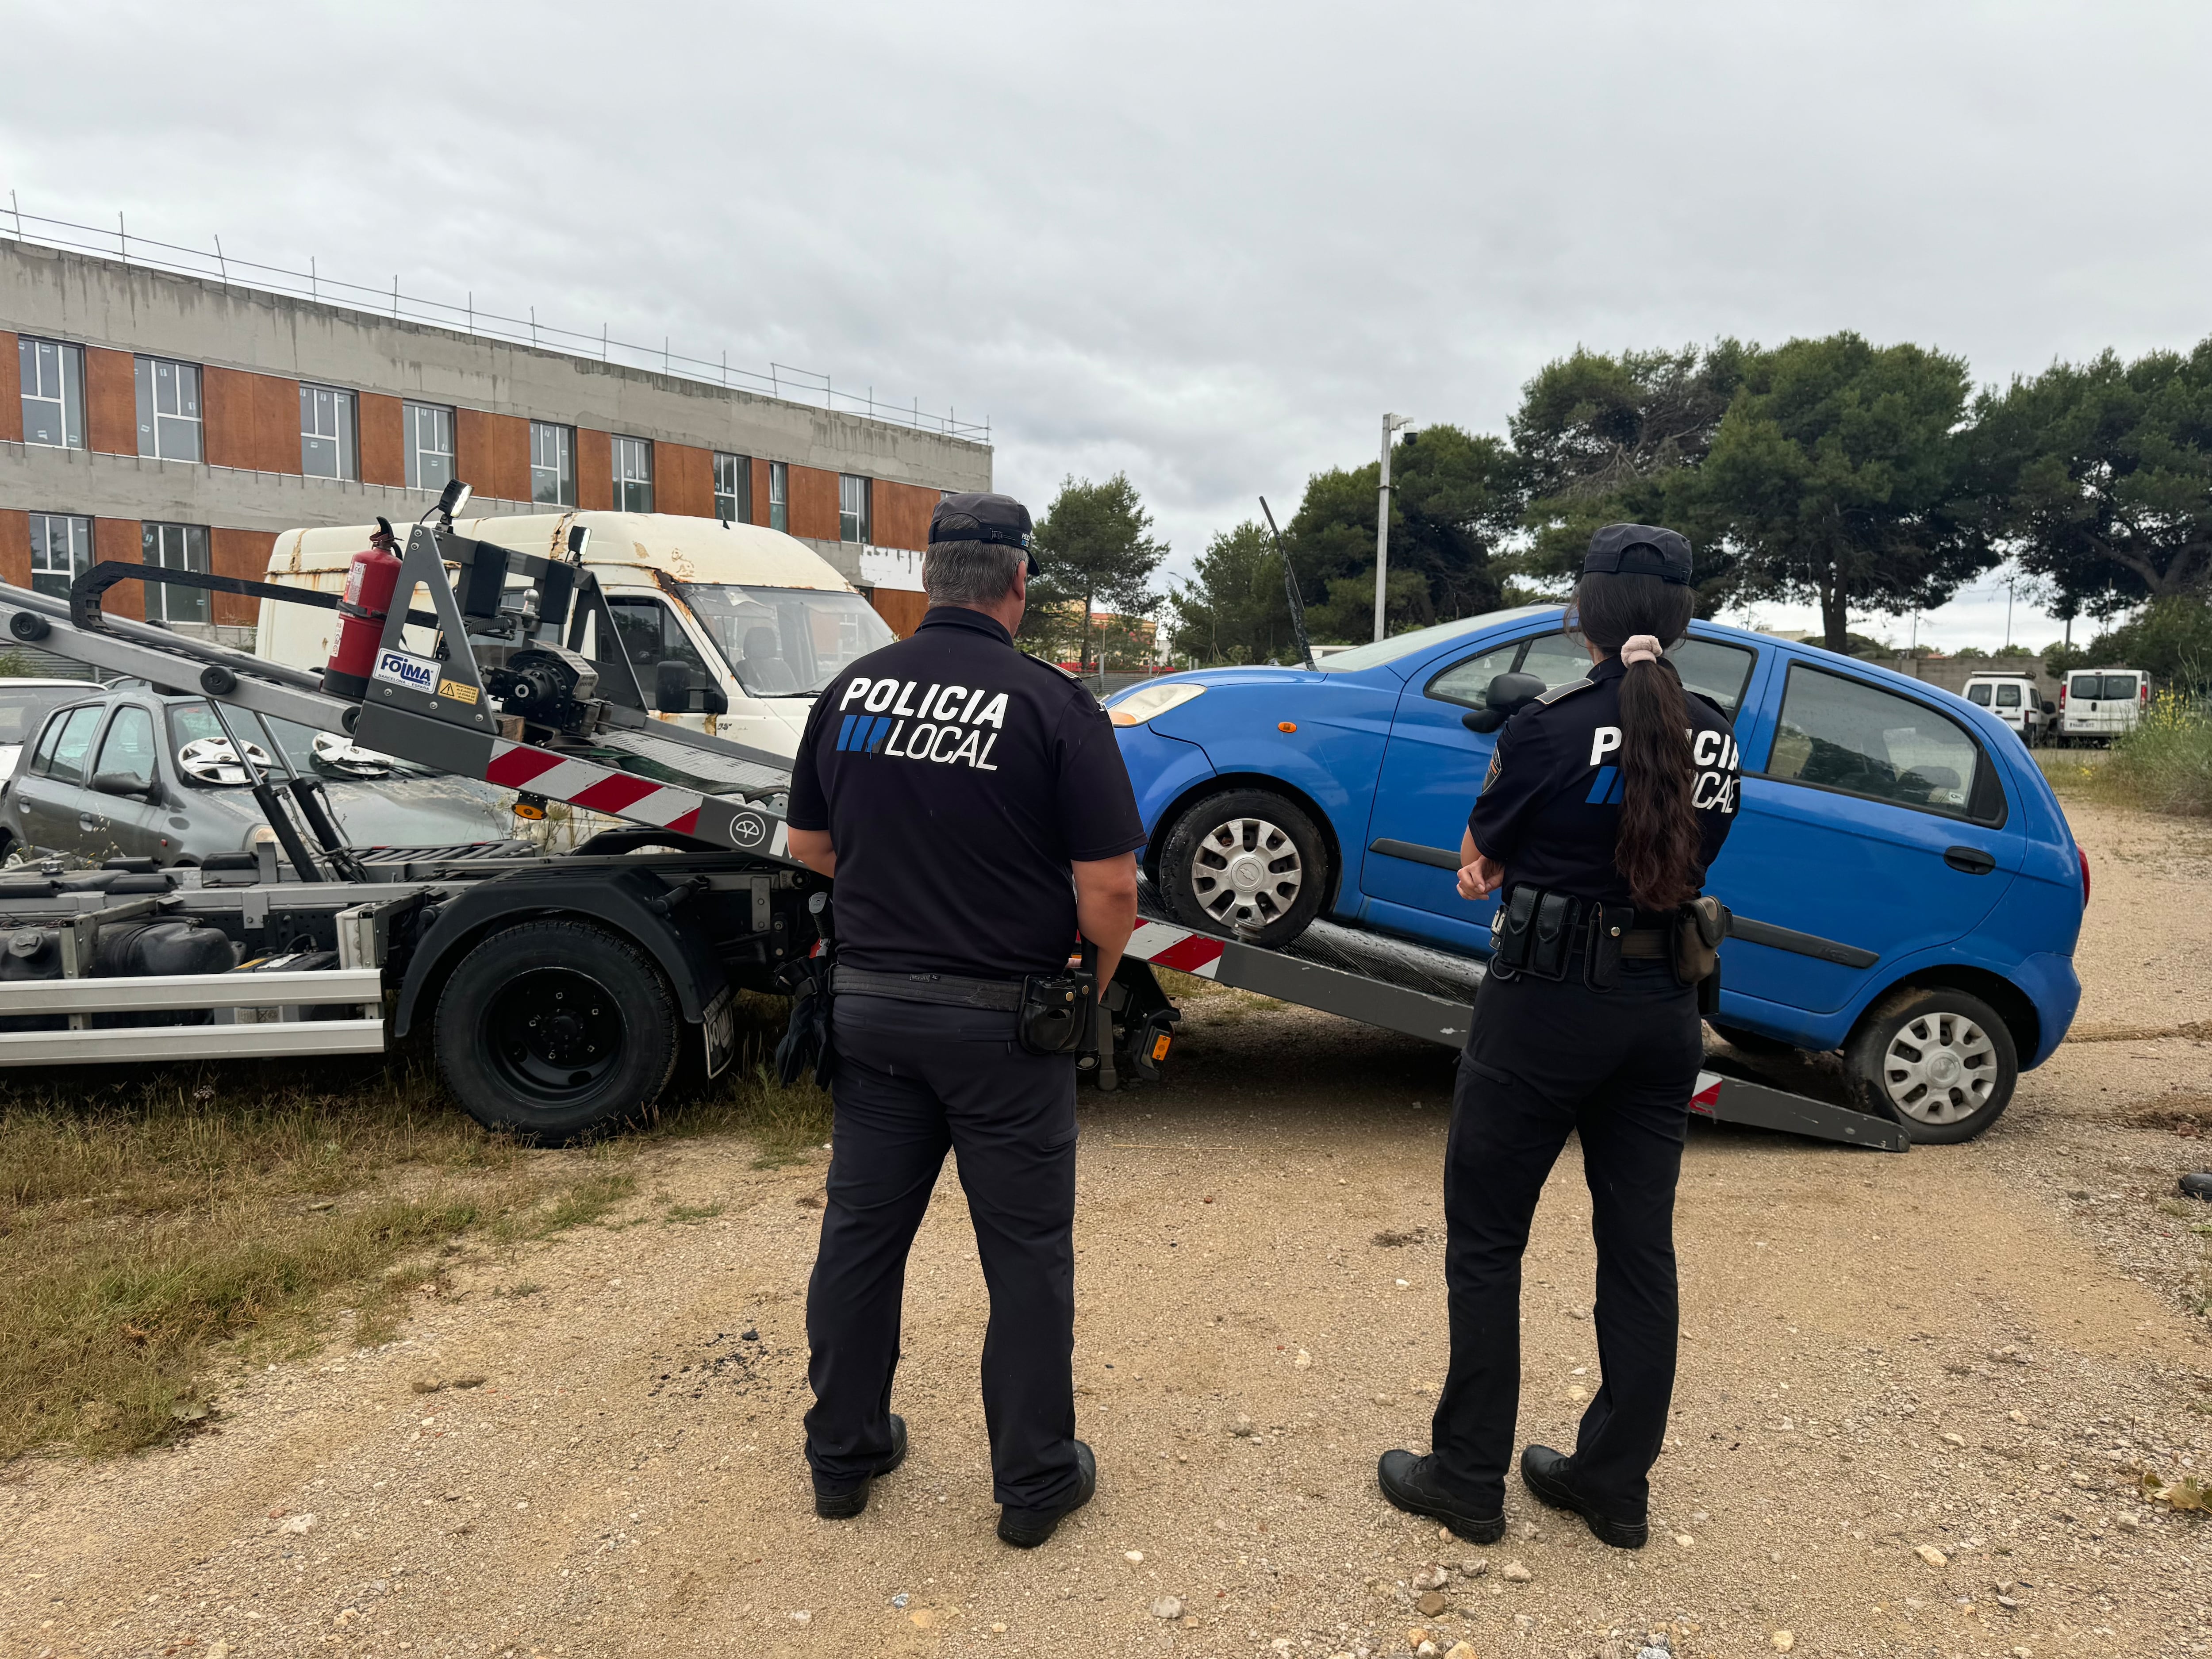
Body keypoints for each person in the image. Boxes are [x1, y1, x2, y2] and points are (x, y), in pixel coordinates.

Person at [782, 491, 1144, 1548]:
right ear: (1019, 582)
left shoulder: (852, 690)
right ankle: (1032, 1483)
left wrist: (898, 886)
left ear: (929, 578)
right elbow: (1110, 890)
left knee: (860, 1240)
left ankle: (842, 1459)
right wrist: (1087, 991)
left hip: (873, 1015)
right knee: (1025, 1255)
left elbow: (808, 847)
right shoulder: (1052, 704)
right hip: (1005, 1028)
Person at [1377, 523, 1740, 1550]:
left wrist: (1500, 852)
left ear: (1583, 614)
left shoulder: (1548, 726)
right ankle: (1613, 1488)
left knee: (1488, 1243)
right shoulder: (1715, 733)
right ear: (1682, 619)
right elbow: (1694, 849)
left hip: (1543, 1009)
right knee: (1639, 1252)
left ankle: (1466, 1479)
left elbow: (1478, 861)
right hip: (1662, 1011)